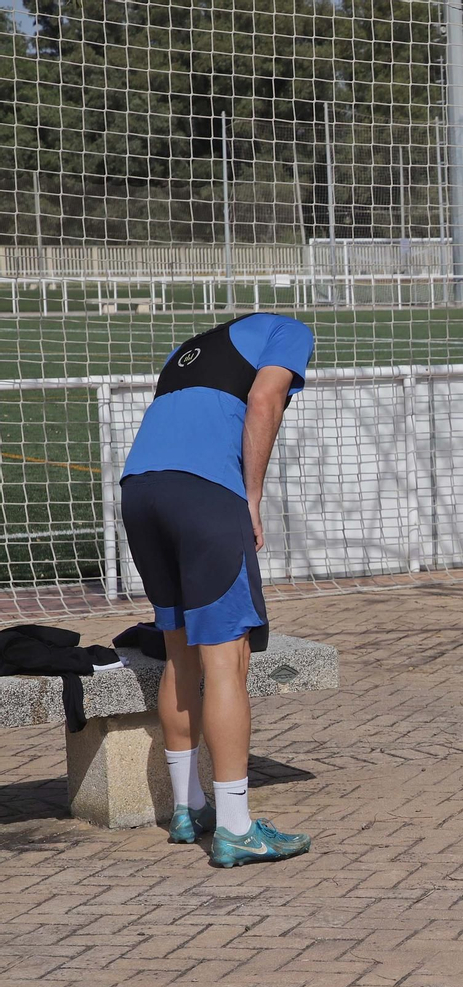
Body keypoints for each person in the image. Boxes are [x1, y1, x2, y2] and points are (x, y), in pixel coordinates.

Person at [120, 312, 315, 868]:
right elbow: (265, 403)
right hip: (204, 494)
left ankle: (189, 808)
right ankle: (235, 827)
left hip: (140, 492)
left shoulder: (186, 350)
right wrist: (250, 499)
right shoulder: (289, 330)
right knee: (227, 661)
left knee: (181, 653)